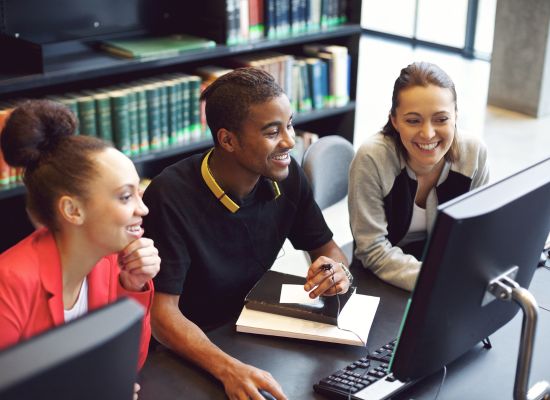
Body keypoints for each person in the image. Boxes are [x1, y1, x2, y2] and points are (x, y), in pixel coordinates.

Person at [143, 67, 352, 400]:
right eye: (272, 132)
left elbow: (328, 249)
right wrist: (227, 368)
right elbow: (162, 316)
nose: (290, 140)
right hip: (189, 351)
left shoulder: (287, 174)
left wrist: (335, 271)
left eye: (290, 124)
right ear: (228, 140)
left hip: (251, 331)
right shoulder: (169, 195)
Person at [0, 100, 160, 388]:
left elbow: (128, 365)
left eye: (139, 192)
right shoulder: (8, 283)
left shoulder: (109, 261)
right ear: (72, 210)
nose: (143, 209)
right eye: (125, 197)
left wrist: (133, 286)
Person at [348, 61, 490, 292]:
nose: (428, 133)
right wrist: (439, 280)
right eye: (413, 120)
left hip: (445, 272)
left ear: (456, 116)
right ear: (394, 120)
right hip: (380, 278)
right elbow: (372, 250)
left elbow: (478, 233)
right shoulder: (372, 158)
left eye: (441, 119)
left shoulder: (474, 154)